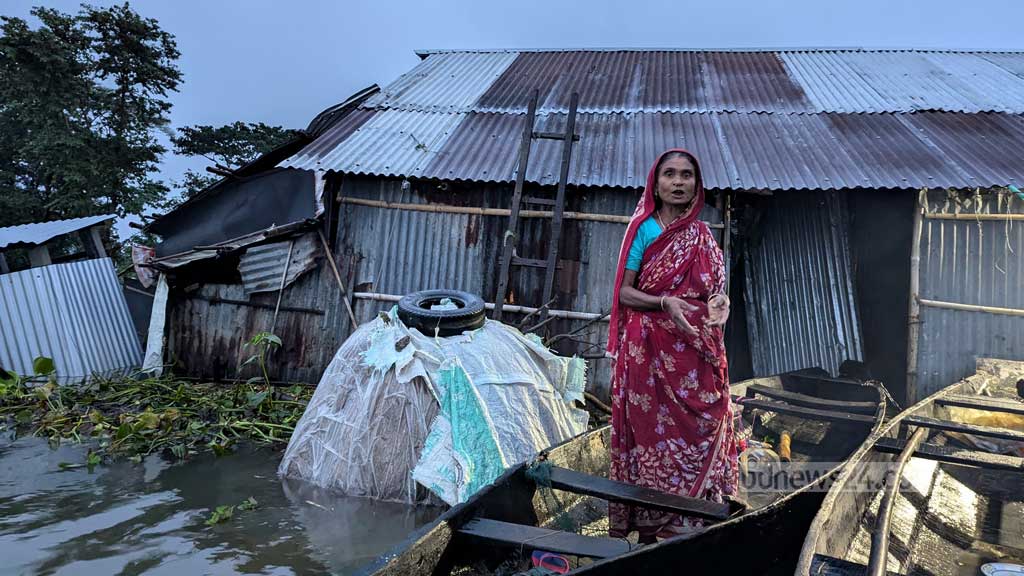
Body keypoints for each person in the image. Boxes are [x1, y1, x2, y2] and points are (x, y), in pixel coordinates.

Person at [606, 148, 737, 543]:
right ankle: (655, 526)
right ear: (656, 182)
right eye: (670, 174)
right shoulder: (643, 229)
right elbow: (625, 294)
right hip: (648, 352)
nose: (678, 182)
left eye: (686, 175)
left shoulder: (702, 236)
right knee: (653, 436)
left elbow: (715, 293)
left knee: (708, 422)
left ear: (697, 184)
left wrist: (721, 305)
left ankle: (694, 521)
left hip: (695, 352)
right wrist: (664, 303)